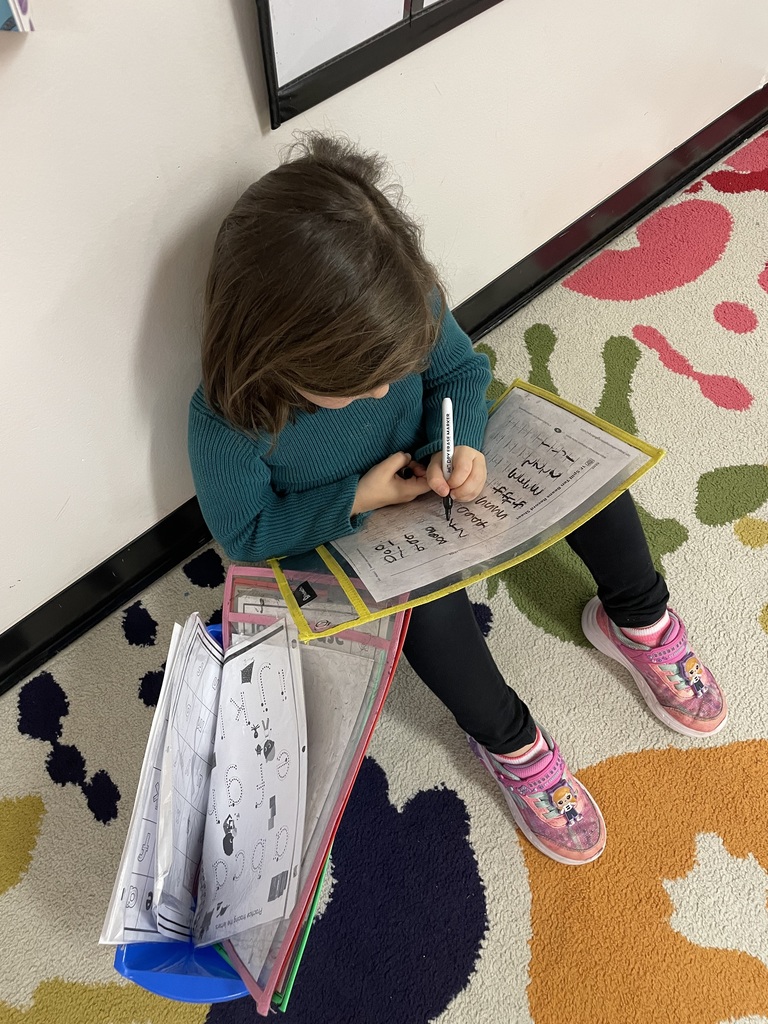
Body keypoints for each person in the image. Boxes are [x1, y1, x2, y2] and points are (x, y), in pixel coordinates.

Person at [188, 134, 727, 866]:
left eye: (393, 370)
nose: (382, 392)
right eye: (359, 384)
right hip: (358, 524)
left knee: (585, 478)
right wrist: (357, 498)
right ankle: (513, 742)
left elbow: (462, 374)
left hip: (441, 468)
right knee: (430, 618)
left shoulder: (410, 302)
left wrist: (461, 442)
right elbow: (248, 535)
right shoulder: (229, 420)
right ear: (269, 356)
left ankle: (639, 617)